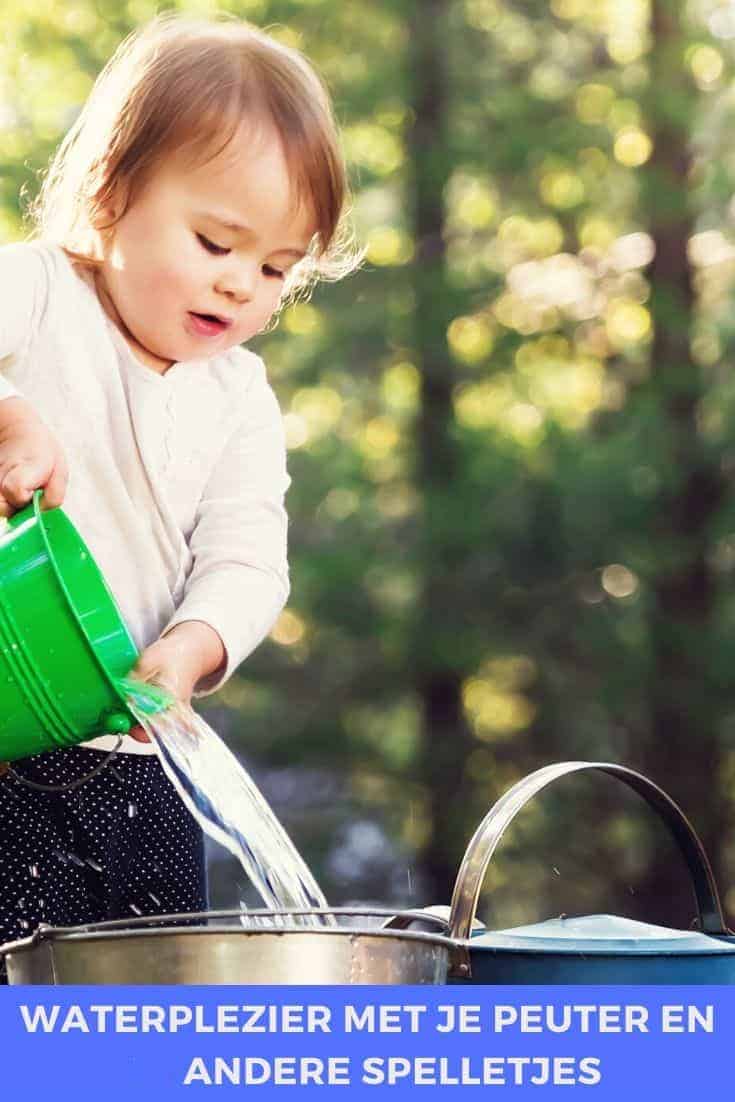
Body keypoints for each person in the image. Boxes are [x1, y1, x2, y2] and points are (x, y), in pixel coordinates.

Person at [0, 12, 358, 970]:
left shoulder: (238, 394)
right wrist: (9, 413)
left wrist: (194, 647)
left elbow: (247, 558)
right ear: (111, 194)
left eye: (279, 266)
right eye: (215, 241)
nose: (243, 283)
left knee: (149, 1000)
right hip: (4, 741)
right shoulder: (35, 295)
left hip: (141, 766)